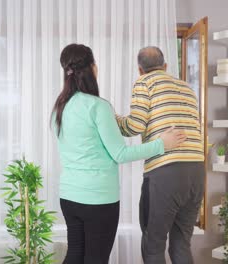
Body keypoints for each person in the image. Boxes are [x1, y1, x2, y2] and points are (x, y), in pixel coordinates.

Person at [51, 44, 187, 264]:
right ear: (93, 68)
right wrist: (162, 143)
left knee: (75, 254)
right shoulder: (98, 106)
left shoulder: (61, 107)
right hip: (97, 199)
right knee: (96, 259)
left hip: (69, 196)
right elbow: (120, 153)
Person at [116, 46, 205, 264]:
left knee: (154, 245)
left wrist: (114, 118)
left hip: (166, 173)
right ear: (165, 66)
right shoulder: (187, 88)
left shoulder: (144, 83)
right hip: (196, 172)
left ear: (140, 70)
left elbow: (134, 126)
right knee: (181, 243)